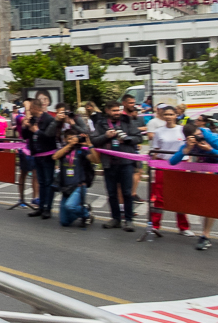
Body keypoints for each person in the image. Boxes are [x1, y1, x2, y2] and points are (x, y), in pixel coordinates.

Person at [170, 121, 218, 251]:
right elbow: (172, 162)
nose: (199, 138)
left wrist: (210, 149)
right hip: (216, 172)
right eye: (196, 137)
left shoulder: (212, 138)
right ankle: (205, 236)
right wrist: (186, 149)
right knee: (210, 203)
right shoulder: (190, 143)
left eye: (199, 134)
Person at [90, 101, 142, 231]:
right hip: (109, 163)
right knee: (111, 192)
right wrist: (106, 136)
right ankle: (116, 218)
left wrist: (127, 139)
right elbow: (94, 140)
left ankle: (129, 220)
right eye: (114, 111)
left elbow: (139, 137)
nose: (117, 113)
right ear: (107, 111)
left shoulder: (127, 121)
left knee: (127, 192)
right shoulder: (101, 123)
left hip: (125, 162)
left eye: (118, 110)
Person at [148, 106, 193, 236]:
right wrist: (153, 165)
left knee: (180, 196)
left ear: (176, 115)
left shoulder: (182, 130)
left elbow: (188, 149)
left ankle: (183, 227)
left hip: (180, 166)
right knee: (160, 197)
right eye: (166, 114)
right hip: (163, 166)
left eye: (171, 114)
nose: (168, 117)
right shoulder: (159, 131)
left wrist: (189, 165)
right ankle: (155, 225)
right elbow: (155, 151)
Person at [53, 130, 98, 227]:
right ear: (65, 139)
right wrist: (70, 145)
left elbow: (96, 160)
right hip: (66, 188)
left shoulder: (81, 151)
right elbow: (55, 156)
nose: (72, 140)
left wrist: (90, 144)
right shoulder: (63, 150)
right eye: (69, 138)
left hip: (79, 186)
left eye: (74, 138)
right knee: (64, 222)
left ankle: (86, 214)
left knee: (70, 206)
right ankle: (82, 210)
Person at [22, 100, 56, 219]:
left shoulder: (49, 119)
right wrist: (25, 126)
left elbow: (50, 137)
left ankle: (48, 208)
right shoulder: (33, 119)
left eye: (31, 108)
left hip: (47, 154)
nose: (29, 110)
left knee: (48, 182)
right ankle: (41, 207)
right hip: (37, 154)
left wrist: (37, 131)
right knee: (41, 182)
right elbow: (25, 136)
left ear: (36, 108)